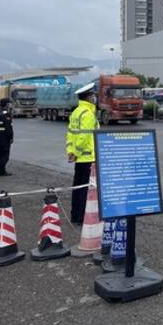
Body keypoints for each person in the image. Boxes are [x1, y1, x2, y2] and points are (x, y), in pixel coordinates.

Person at [66, 83, 100, 224]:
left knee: (77, 187)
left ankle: (75, 215)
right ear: (89, 97)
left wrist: (71, 152)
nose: (94, 98)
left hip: (79, 158)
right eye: (93, 95)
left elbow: (70, 135)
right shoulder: (88, 114)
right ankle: (80, 217)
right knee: (85, 189)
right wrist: (78, 152)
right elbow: (84, 137)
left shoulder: (76, 112)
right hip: (87, 157)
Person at [0, 98, 14, 176]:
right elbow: (8, 127)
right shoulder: (6, 114)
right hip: (4, 137)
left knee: (0, 154)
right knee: (5, 155)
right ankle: (2, 171)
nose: (10, 105)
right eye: (9, 103)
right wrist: (11, 137)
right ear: (6, 104)